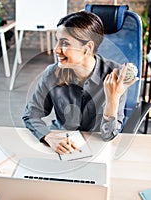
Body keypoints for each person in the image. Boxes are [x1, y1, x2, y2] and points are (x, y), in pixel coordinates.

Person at [22, 11, 137, 155]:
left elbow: (108, 136)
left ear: (87, 48)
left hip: (97, 147)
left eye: (64, 43)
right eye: (57, 41)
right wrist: (48, 137)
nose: (56, 49)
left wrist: (112, 101)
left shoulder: (115, 76)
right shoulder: (52, 74)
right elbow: (31, 115)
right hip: (60, 145)